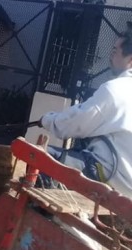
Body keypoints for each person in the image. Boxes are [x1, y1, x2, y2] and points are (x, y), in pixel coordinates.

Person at [38, 25, 132, 199]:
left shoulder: (116, 90)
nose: (111, 57)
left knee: (40, 156)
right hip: (126, 186)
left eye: (115, 51)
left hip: (110, 177)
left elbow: (76, 124)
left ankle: (47, 217)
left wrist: (47, 120)